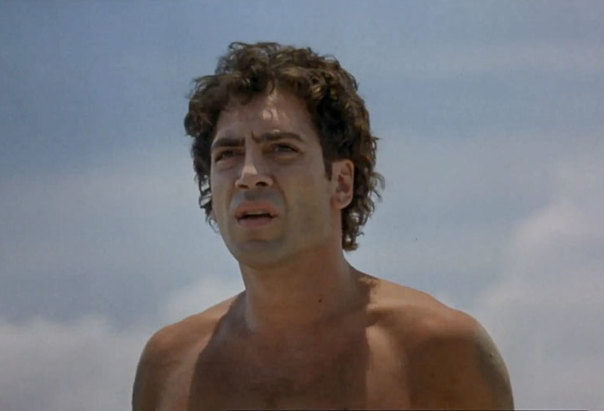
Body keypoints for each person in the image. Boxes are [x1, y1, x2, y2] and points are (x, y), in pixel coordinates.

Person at [132, 42, 513, 410]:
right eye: (227, 154)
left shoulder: (438, 351)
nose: (248, 175)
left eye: (282, 149)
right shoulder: (171, 366)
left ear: (341, 183)